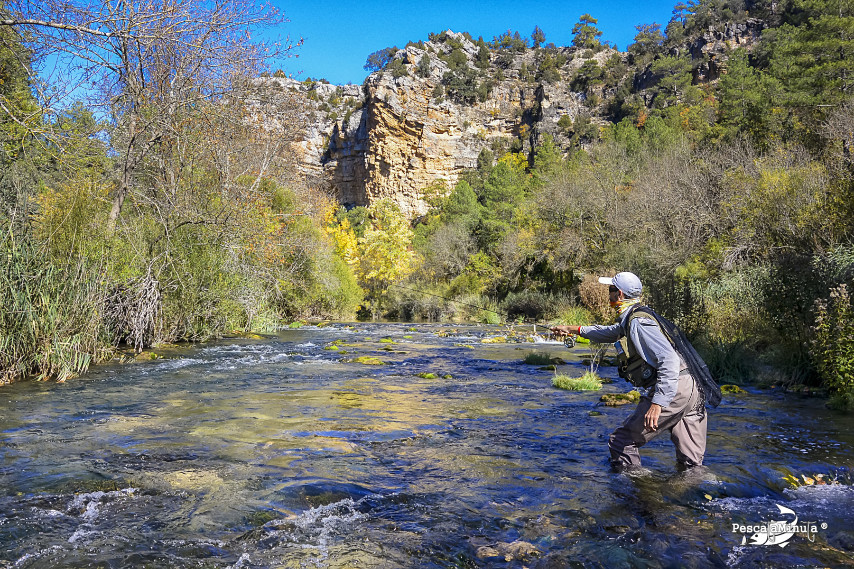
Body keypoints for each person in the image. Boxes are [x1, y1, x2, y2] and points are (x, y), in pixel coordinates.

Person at [551, 272, 707, 472]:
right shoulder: (638, 315)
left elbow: (669, 360)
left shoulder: (638, 323)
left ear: (620, 295)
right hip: (692, 388)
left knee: (621, 441)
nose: (608, 295)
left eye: (611, 291)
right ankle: (695, 496)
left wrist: (658, 403)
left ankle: (639, 493)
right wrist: (572, 329)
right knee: (691, 464)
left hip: (674, 388)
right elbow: (610, 332)